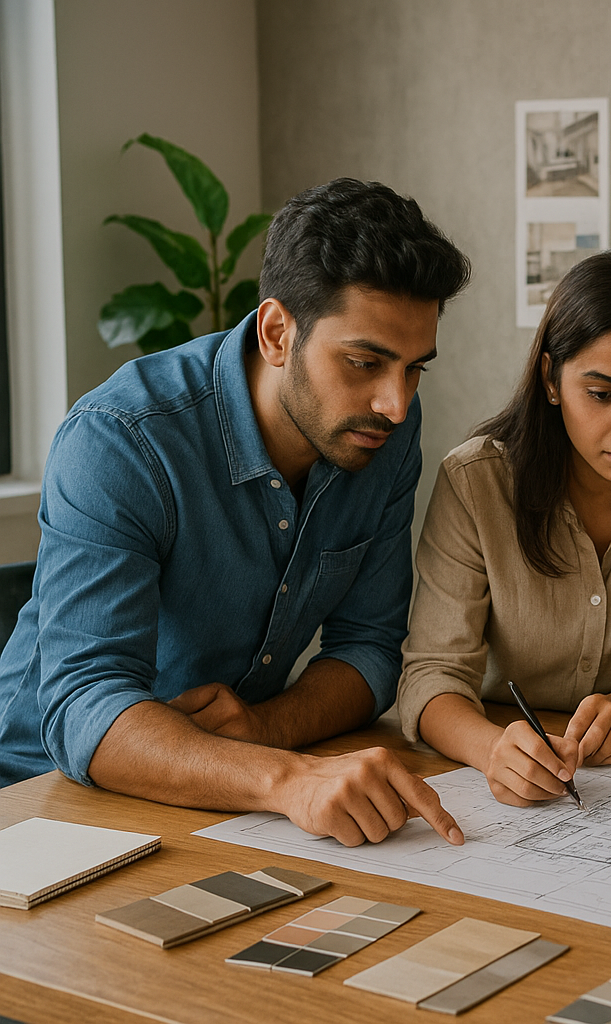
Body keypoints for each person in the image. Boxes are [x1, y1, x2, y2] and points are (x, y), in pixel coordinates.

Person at [0, 178, 472, 849]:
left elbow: (369, 646)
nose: (396, 403)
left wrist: (268, 734)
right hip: (41, 802)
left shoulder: (379, 429)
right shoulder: (121, 439)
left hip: (226, 796)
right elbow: (84, 704)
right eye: (364, 362)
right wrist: (286, 779)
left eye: (414, 368)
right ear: (279, 332)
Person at [397, 248, 611, 806]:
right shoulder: (475, 482)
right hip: (502, 765)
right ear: (551, 379)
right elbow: (432, 676)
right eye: (602, 394)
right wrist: (492, 750)